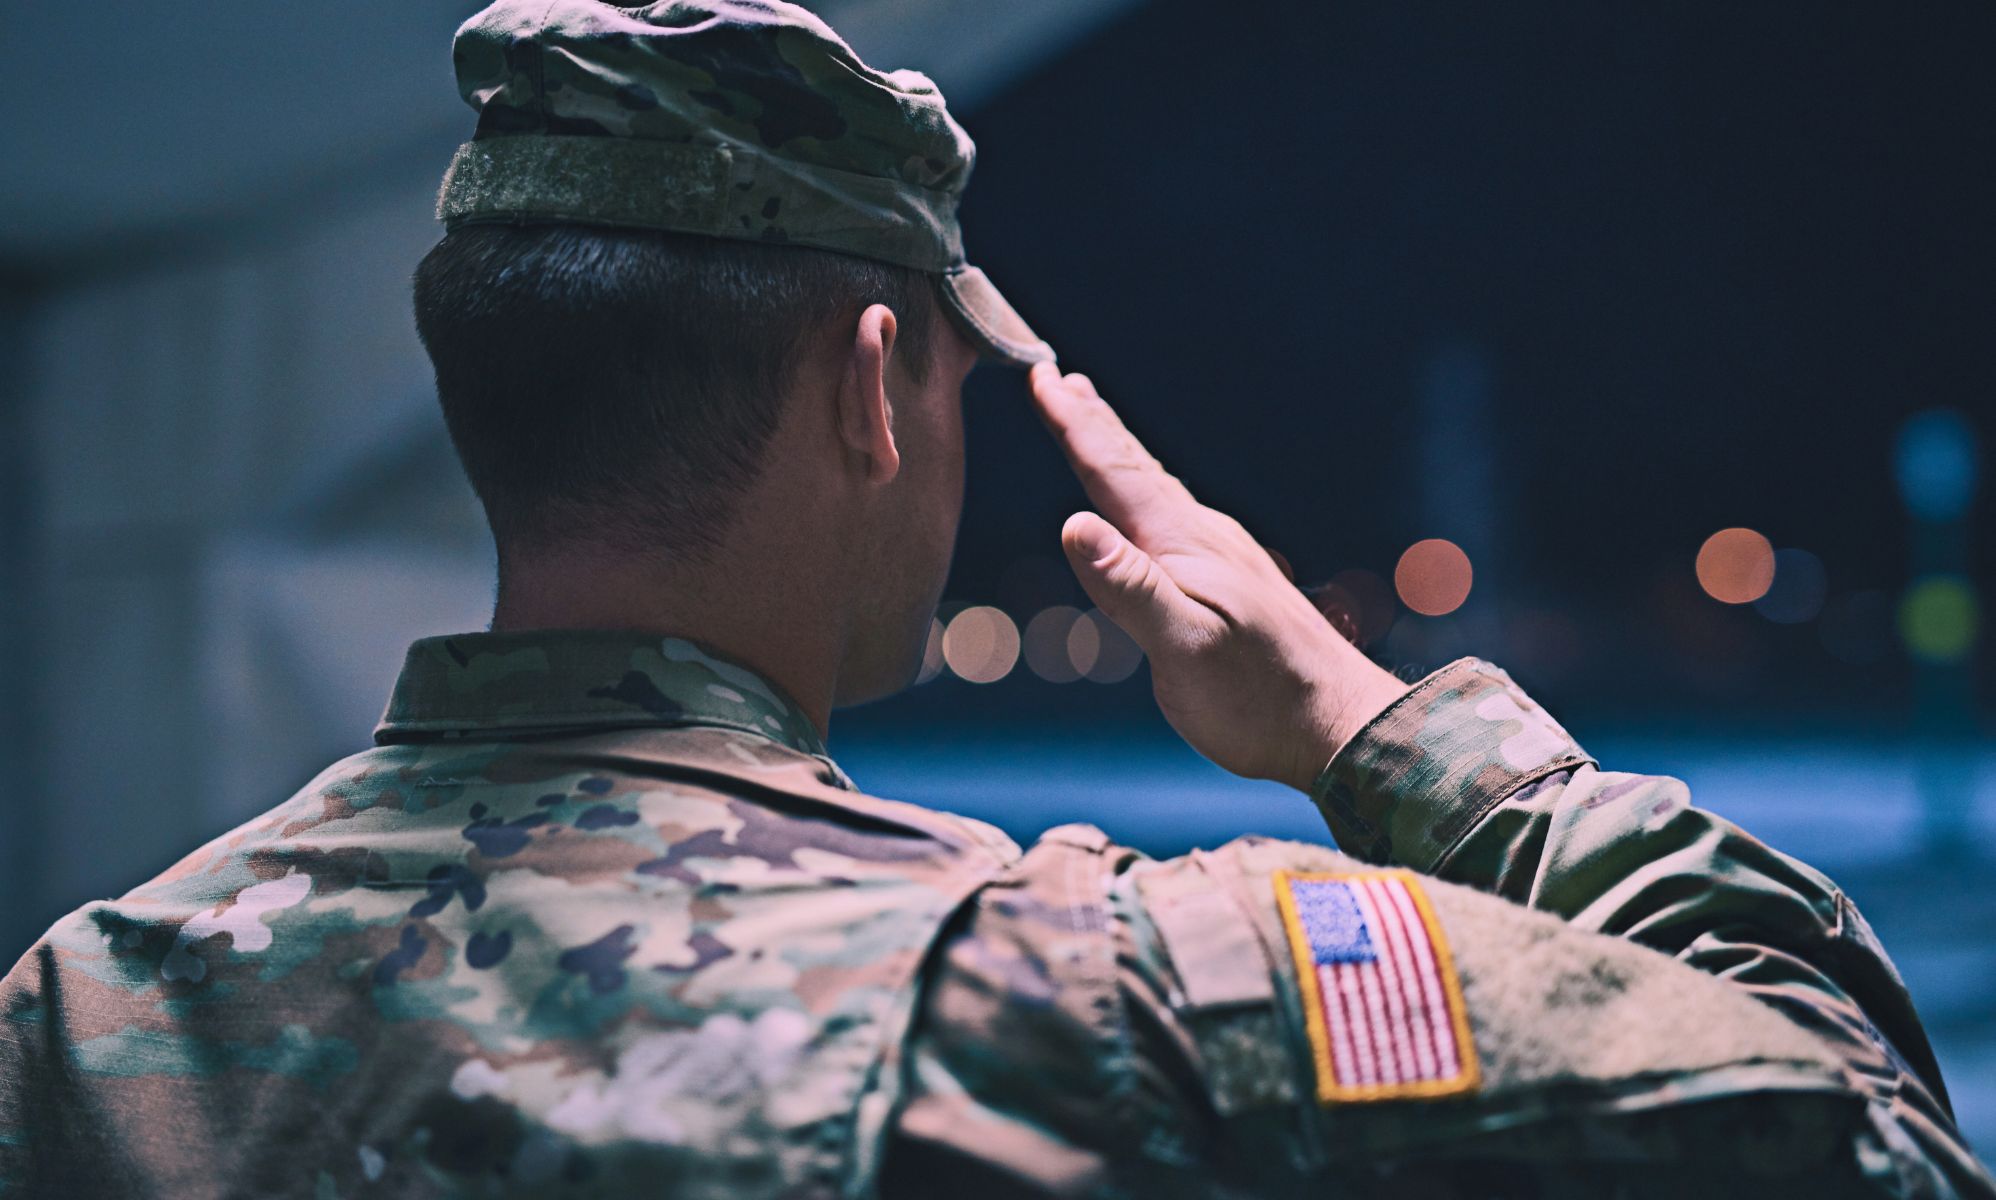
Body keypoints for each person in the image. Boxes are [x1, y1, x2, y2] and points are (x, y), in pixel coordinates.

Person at [1, 2, 1989, 1196]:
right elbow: (1853, 1129)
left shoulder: (81, 1015)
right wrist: (1383, 731)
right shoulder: (1089, 993)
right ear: (873, 388)